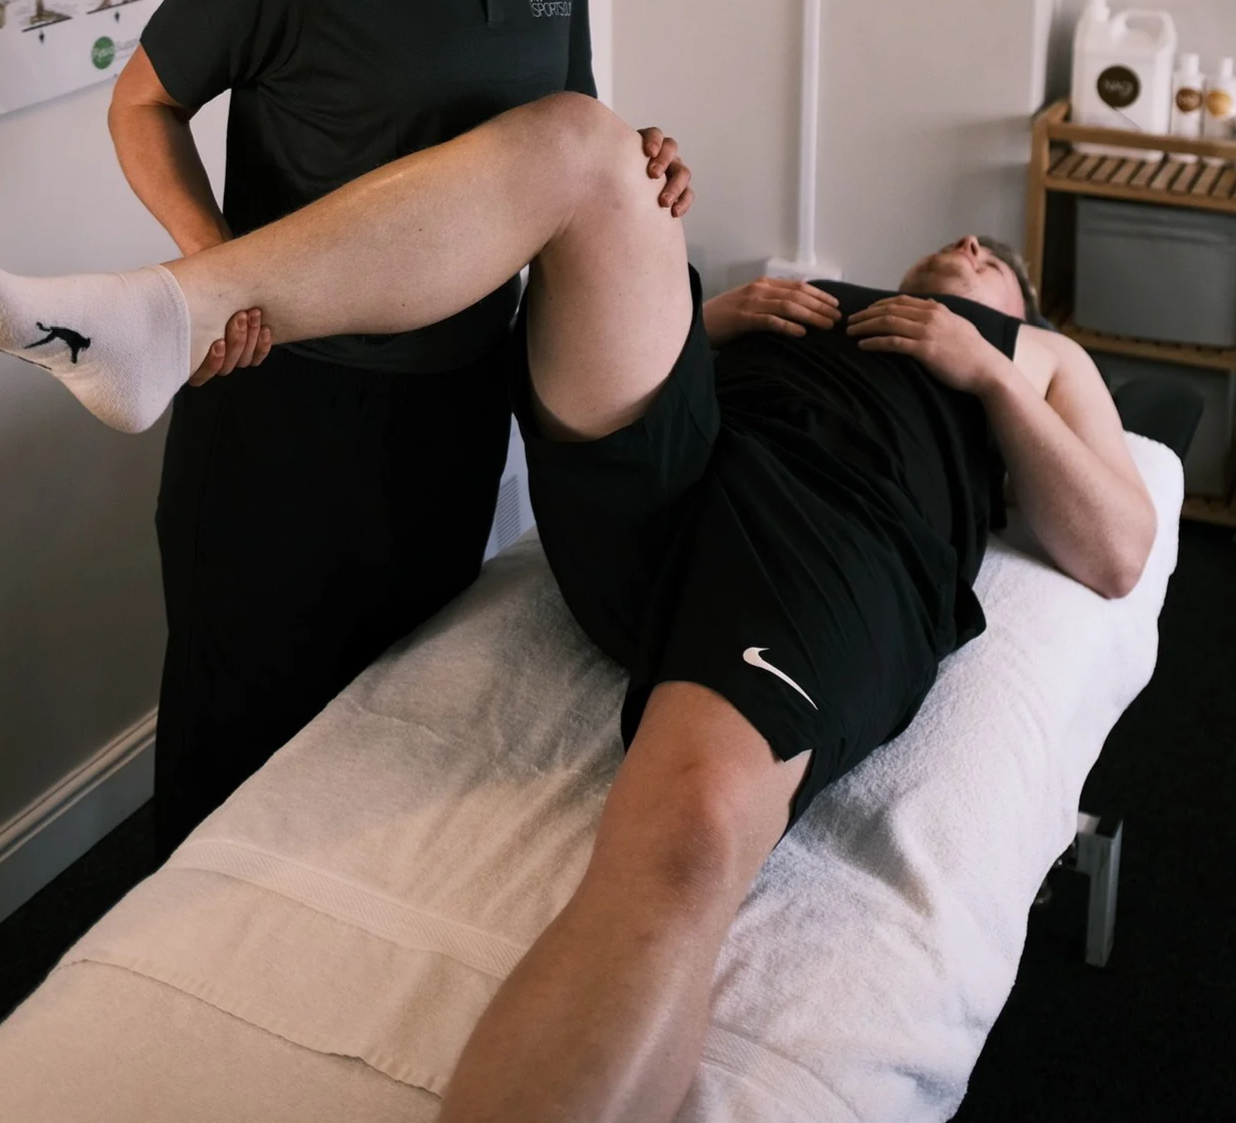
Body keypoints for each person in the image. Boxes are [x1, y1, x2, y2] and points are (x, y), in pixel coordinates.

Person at [1, 91, 1157, 1123]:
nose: (968, 247)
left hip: (825, 536)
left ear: (1019, 305)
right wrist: (709, 323)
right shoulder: (811, 292)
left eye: (993, 262)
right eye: (956, 246)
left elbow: (1116, 550)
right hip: (677, 460)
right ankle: (179, 315)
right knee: (586, 144)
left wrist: (988, 369)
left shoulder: (1035, 357)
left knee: (687, 841)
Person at [104, 0, 693, 860]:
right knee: (233, 766)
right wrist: (214, 272)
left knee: (385, 749)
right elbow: (142, 103)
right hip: (285, 412)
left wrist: (631, 162)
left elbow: (551, 144)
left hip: (456, 411)